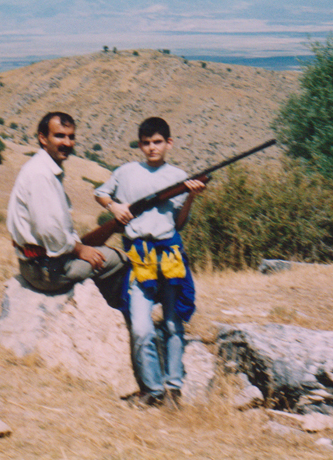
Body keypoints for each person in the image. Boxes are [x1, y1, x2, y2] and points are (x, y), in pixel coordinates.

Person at [94, 117, 205, 409]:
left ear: (169, 143)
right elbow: (100, 192)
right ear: (140, 144)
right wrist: (114, 207)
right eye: (146, 143)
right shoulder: (126, 172)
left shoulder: (179, 176)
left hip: (169, 255)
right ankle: (152, 390)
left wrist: (191, 197)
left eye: (157, 142)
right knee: (141, 327)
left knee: (172, 324)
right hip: (139, 257)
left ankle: (174, 390)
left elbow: (178, 223)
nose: (152, 148)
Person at [7, 112, 127, 306]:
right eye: (60, 136)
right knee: (118, 259)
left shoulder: (41, 168)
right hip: (46, 271)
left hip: (37, 264)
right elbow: (50, 230)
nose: (68, 143)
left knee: (99, 252)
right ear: (43, 138)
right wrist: (80, 249)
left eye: (71, 137)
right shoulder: (41, 175)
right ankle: (116, 315)